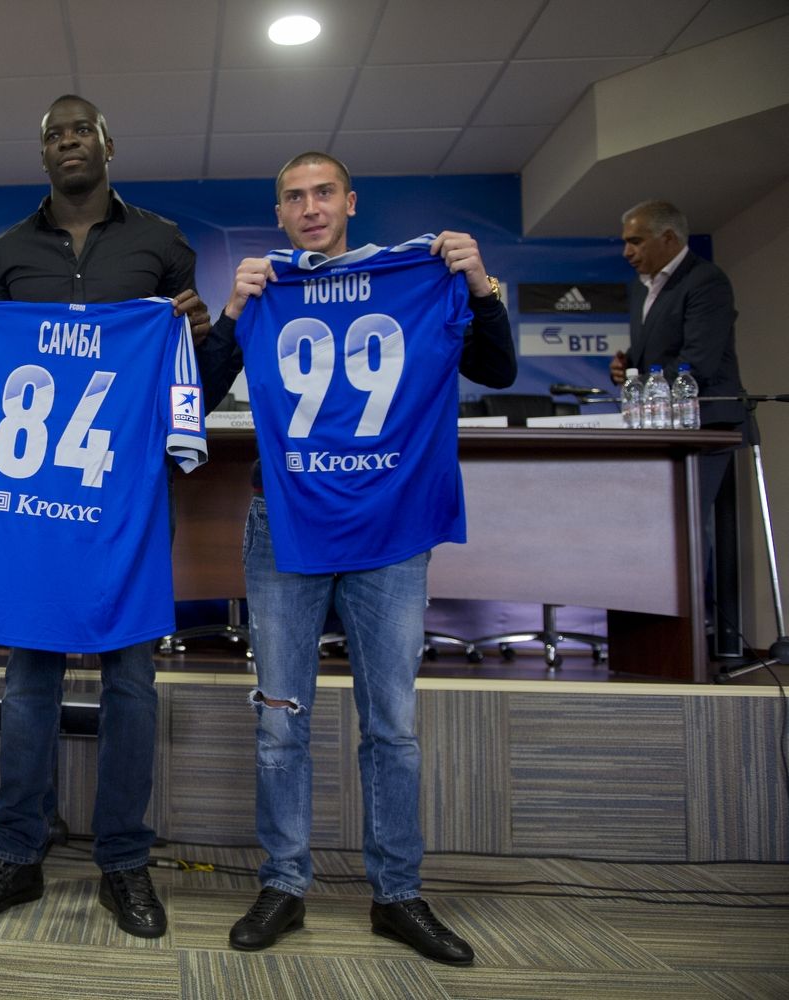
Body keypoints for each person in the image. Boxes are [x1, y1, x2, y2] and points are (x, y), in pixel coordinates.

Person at [197, 152, 516, 964]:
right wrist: (230, 312)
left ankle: (397, 894)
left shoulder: (416, 277)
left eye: (322, 193)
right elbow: (192, 393)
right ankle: (283, 884)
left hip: (390, 528)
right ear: (279, 213)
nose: (309, 207)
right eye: (293, 197)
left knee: (392, 725)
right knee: (279, 720)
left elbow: (495, 368)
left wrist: (477, 285)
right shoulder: (267, 292)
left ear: (349, 202)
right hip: (286, 523)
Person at [0, 95, 210, 939]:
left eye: (79, 131)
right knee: (29, 681)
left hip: (125, 504)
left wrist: (198, 335)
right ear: (43, 153)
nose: (67, 143)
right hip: (32, 506)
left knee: (131, 682)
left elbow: (188, 375)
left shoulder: (161, 243)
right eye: (53, 135)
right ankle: (16, 853)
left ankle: (124, 862)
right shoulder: (5, 254)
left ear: (106, 144)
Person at [611, 199, 746, 516]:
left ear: (668, 238)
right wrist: (626, 366)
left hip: (703, 424)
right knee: (658, 522)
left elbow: (698, 362)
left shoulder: (706, 280)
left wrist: (641, 385)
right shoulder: (641, 288)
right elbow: (657, 349)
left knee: (687, 524)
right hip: (658, 425)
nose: (627, 252)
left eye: (635, 241)